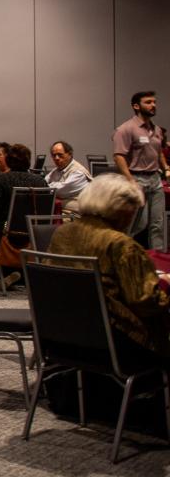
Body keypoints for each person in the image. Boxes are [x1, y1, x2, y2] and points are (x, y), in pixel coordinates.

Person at [49, 175, 170, 361]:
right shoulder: (119, 243)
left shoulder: (62, 233)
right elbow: (145, 302)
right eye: (133, 210)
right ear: (122, 209)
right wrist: (164, 285)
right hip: (115, 340)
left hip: (62, 333)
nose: (133, 217)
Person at [113, 90, 168, 250]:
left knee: (157, 224)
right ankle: (121, 254)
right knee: (137, 224)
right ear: (136, 106)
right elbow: (118, 156)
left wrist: (166, 168)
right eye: (148, 102)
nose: (153, 105)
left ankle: (157, 261)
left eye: (154, 102)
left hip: (155, 181)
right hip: (136, 179)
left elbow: (157, 152)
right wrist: (131, 181)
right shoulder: (126, 129)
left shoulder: (156, 129)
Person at [0, 143, 46, 267]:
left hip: (5, 231)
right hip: (35, 232)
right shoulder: (40, 181)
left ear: (9, 161)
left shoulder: (1, 180)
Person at [45, 140, 92, 212]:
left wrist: (51, 186)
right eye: (54, 155)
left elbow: (60, 191)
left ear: (70, 154)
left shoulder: (79, 172)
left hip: (76, 214)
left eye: (60, 155)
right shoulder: (56, 170)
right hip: (61, 209)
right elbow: (44, 184)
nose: (56, 158)